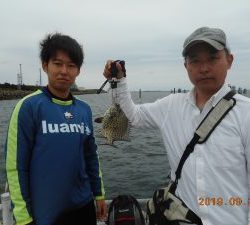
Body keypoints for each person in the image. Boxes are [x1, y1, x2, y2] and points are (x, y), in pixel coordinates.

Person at [103, 27, 250, 225]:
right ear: (185, 65)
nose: (204, 68)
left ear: (229, 60)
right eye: (195, 60)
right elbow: (135, 116)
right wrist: (118, 80)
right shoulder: (171, 106)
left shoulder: (245, 113)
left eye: (213, 58)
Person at [5, 33, 106, 225]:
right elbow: (16, 167)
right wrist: (24, 217)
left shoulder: (84, 110)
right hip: (46, 211)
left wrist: (99, 193)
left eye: (71, 65)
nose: (64, 71)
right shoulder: (29, 107)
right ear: (45, 65)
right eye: (57, 63)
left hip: (83, 205)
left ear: (78, 70)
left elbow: (91, 156)